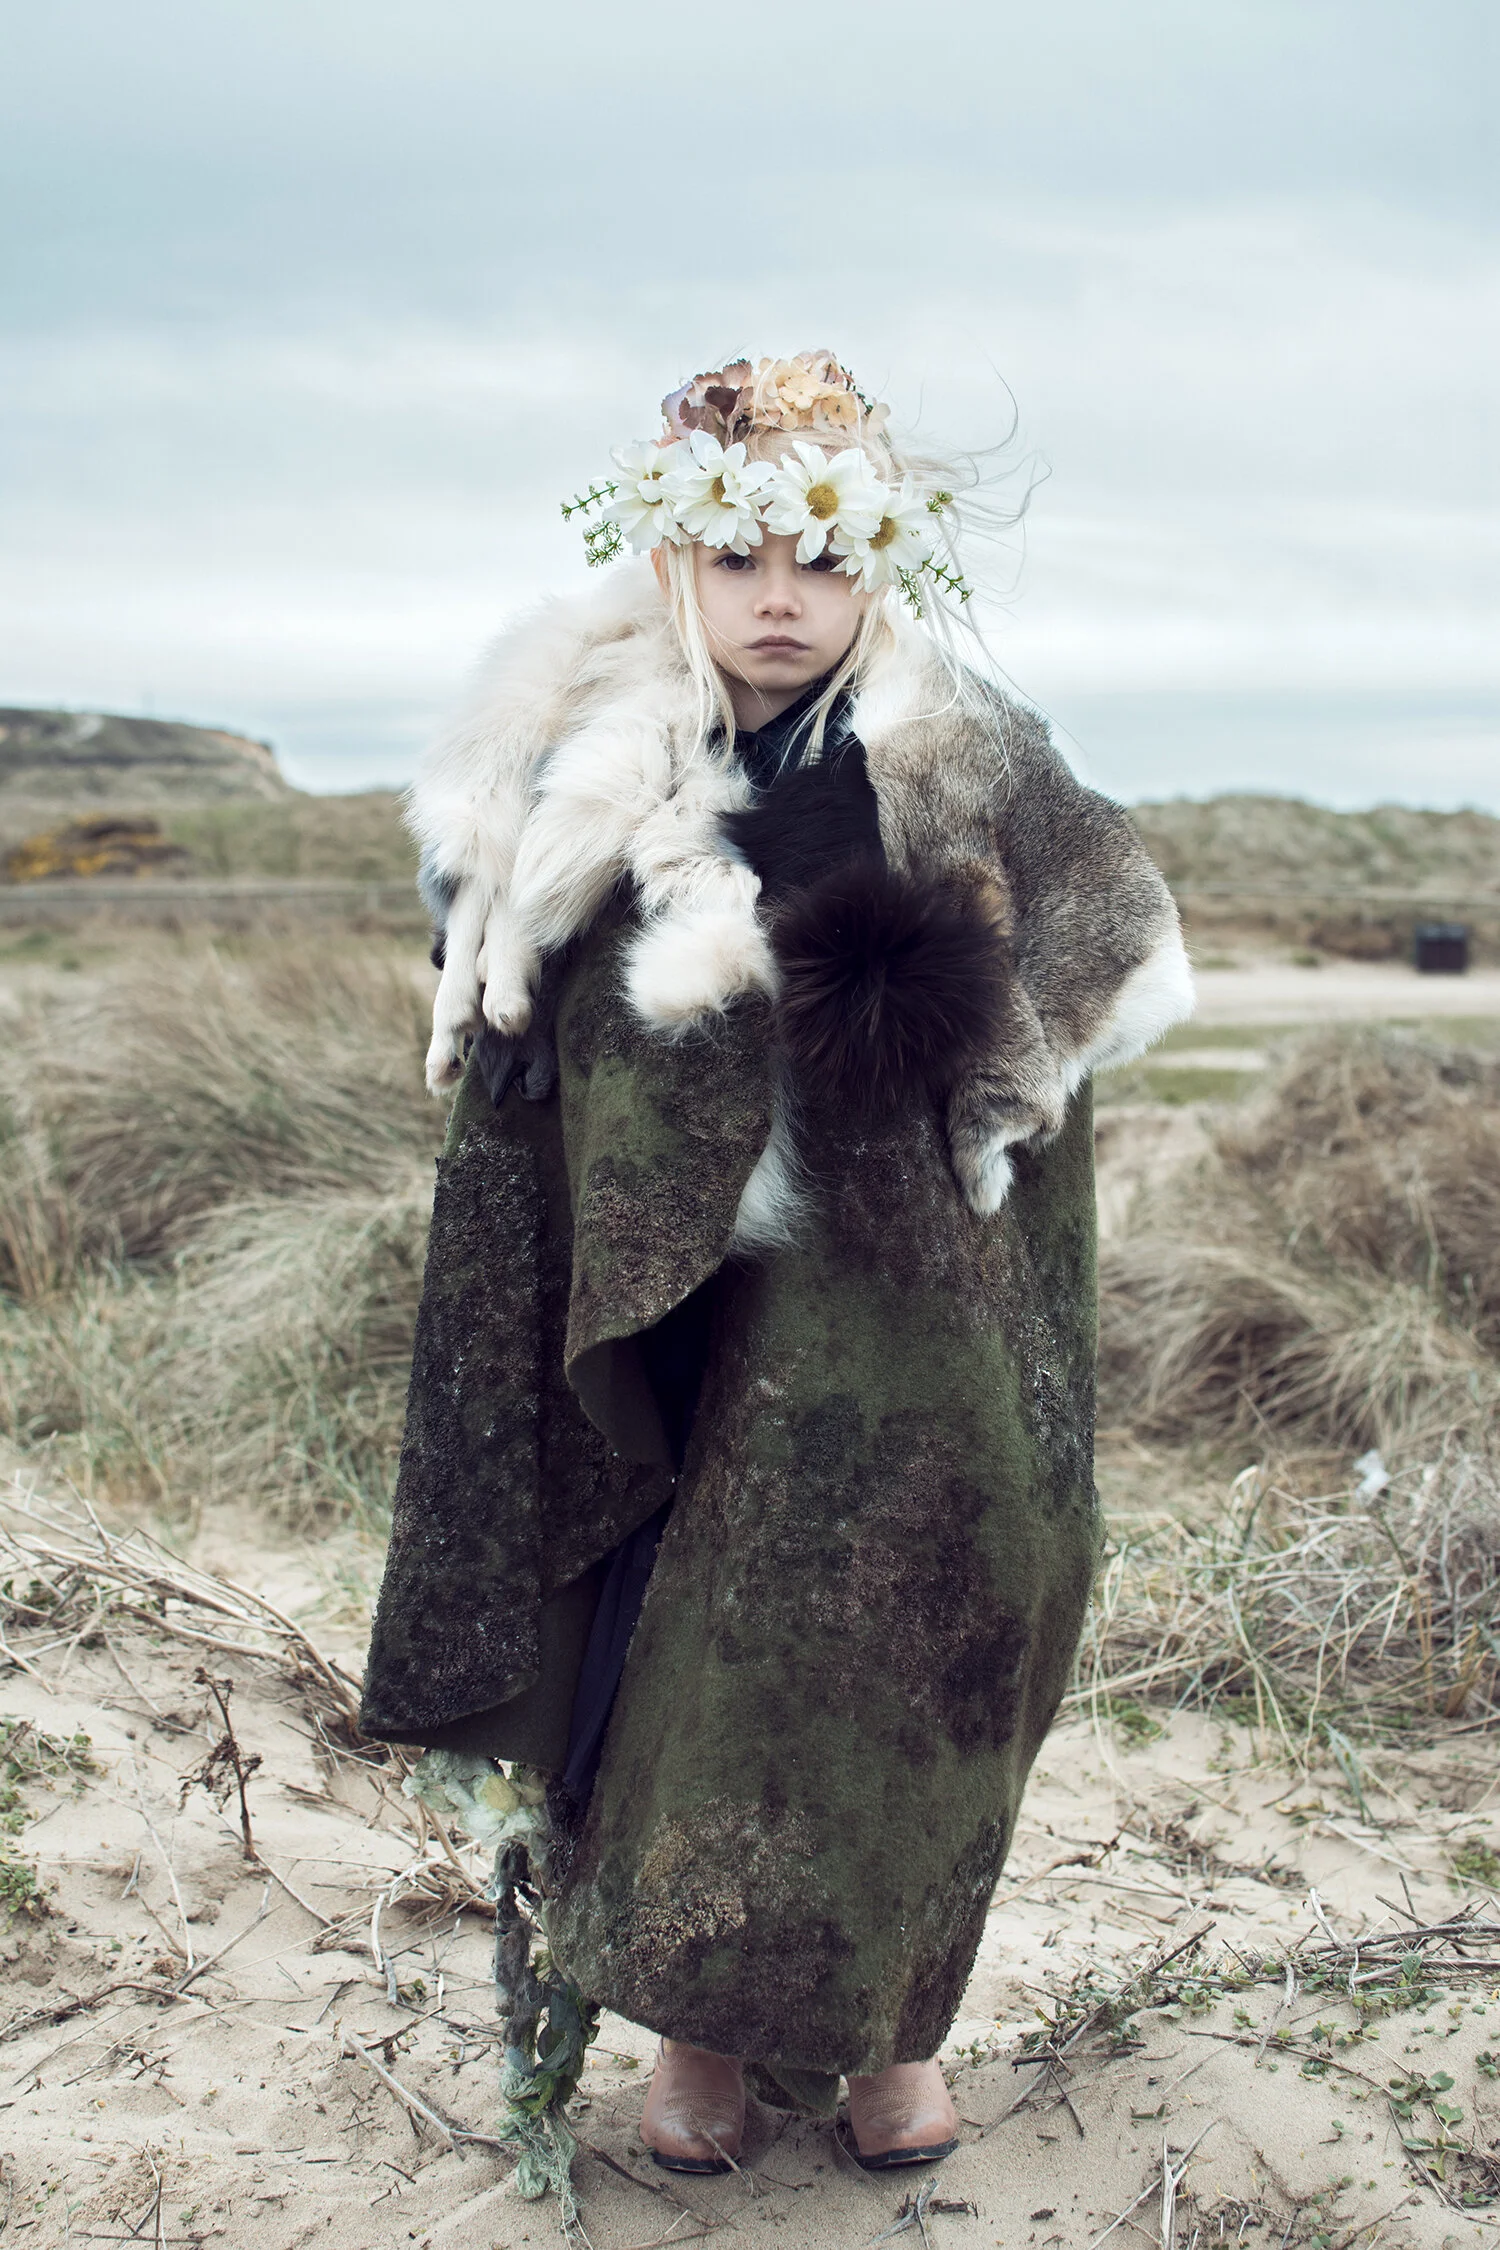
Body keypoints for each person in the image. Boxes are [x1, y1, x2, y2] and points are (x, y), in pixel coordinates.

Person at [359, 351, 1194, 2173]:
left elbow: (1102, 935)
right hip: (676, 1285)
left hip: (910, 1284)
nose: (779, 598)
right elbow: (517, 963)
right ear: (676, 561)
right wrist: (548, 1016)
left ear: (877, 560)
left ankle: (892, 2031)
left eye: (819, 557)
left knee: (916, 1615)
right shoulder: (587, 758)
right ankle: (700, 2037)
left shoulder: (958, 746)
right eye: (738, 558)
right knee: (686, 1630)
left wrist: (959, 1024)